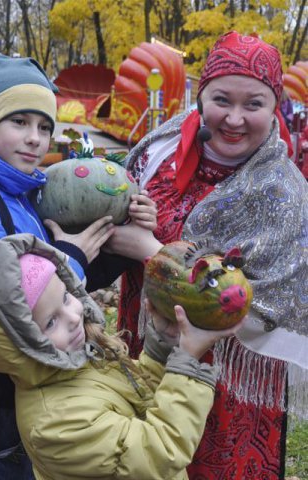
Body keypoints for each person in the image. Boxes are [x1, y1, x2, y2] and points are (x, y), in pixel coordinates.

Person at [0, 53, 159, 479]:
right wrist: (71, 255)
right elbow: (3, 315)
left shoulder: (20, 194)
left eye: (44, 127)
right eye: (18, 122)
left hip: (29, 392)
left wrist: (121, 240)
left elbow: (57, 286)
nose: (35, 139)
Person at [118, 31, 308, 480]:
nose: (235, 119)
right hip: (142, 354)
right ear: (201, 97)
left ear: (275, 106)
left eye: (254, 104)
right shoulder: (159, 149)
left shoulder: (283, 192)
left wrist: (151, 251)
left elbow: (253, 302)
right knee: (136, 462)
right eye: (222, 99)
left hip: (226, 385)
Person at [0, 233, 246, 480]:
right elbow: (158, 454)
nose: (72, 316)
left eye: (67, 297)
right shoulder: (55, 423)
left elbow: (141, 398)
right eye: (50, 321)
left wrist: (161, 344)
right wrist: (188, 359)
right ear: (15, 348)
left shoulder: (79, 361)